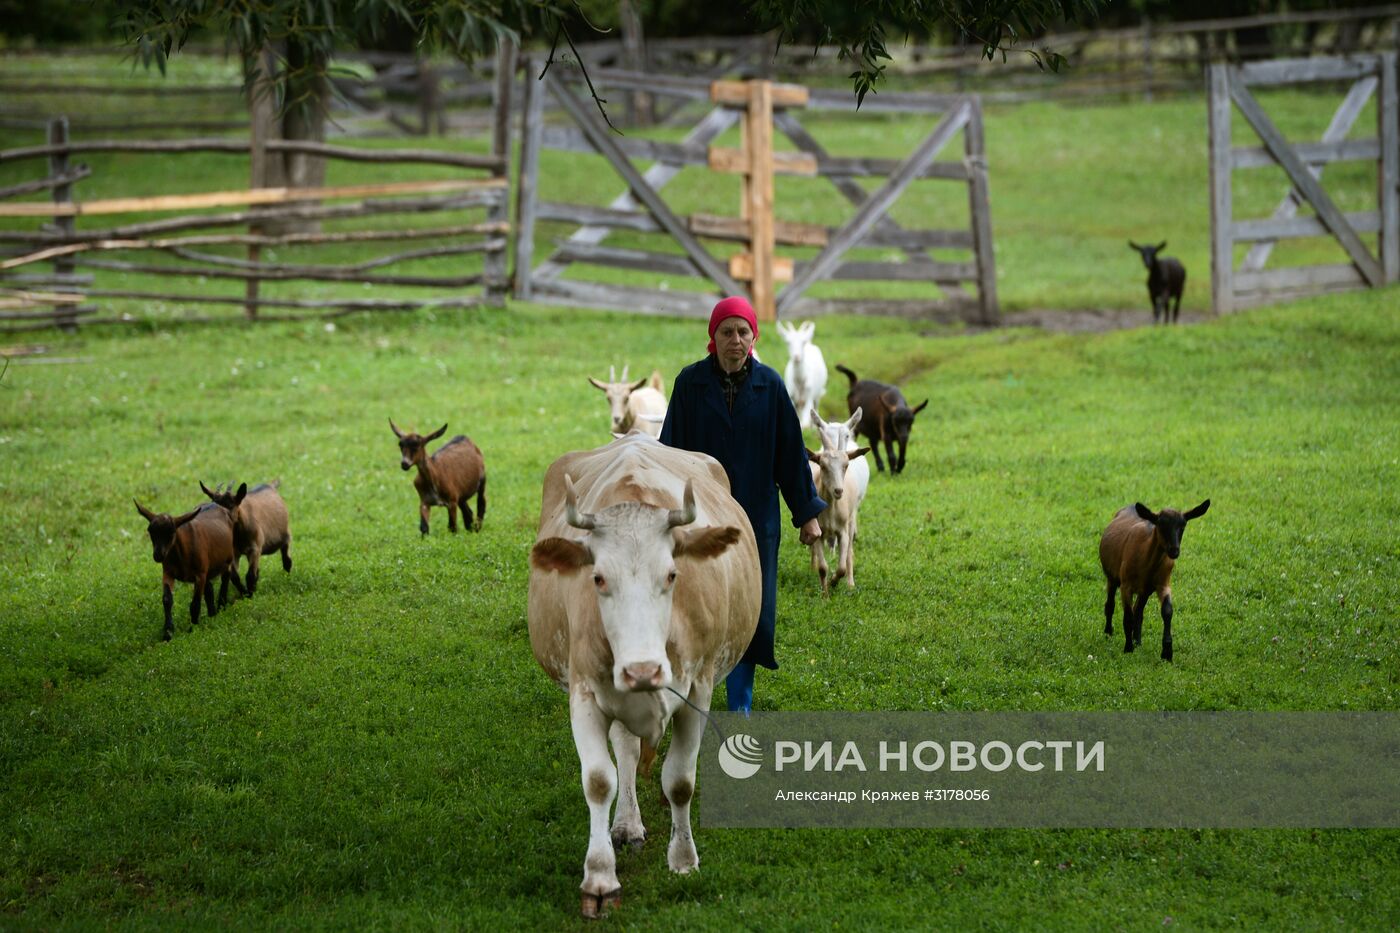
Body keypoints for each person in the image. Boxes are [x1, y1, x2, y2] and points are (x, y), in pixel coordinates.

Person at [660, 296, 826, 713]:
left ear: (754, 337)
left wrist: (807, 514)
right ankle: (686, 691)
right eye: (726, 332)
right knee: (694, 603)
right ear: (712, 338)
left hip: (755, 517)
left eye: (743, 332)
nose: (735, 340)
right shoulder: (689, 384)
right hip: (699, 518)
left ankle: (740, 705)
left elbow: (790, 454)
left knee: (750, 610)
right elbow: (668, 452)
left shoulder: (770, 386)